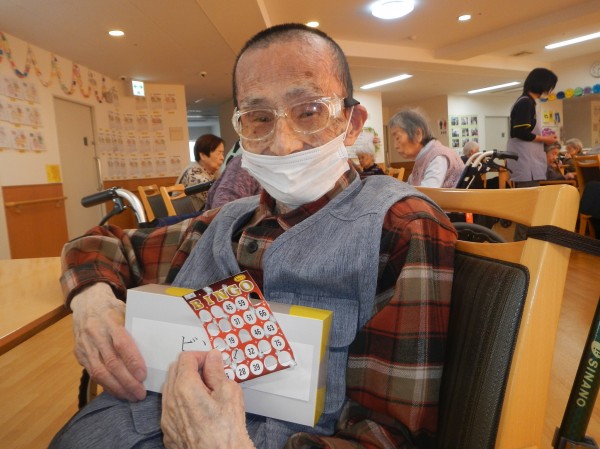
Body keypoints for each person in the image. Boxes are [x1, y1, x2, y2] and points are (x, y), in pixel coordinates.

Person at [50, 23, 457, 449]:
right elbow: (103, 244)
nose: (282, 144)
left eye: (309, 111)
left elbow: (389, 437)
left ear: (351, 123)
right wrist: (92, 301)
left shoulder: (399, 228)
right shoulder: (224, 222)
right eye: (259, 118)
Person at [505, 68, 558, 240]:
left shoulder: (528, 102)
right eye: (550, 86)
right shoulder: (525, 103)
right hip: (526, 163)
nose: (549, 90)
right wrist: (546, 139)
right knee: (527, 209)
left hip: (529, 162)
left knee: (528, 208)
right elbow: (520, 132)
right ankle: (521, 244)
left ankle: (523, 243)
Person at [389, 108, 464, 188]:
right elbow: (409, 187)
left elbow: (427, 192)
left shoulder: (437, 157)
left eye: (397, 138)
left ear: (418, 134)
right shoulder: (423, 158)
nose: (395, 146)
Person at [176, 134, 225, 210]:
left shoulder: (213, 172)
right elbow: (218, 200)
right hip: (188, 216)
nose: (222, 158)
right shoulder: (193, 173)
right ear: (203, 156)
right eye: (218, 153)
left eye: (222, 153)